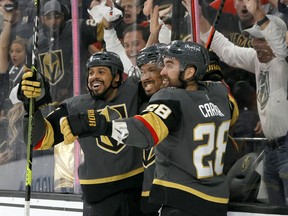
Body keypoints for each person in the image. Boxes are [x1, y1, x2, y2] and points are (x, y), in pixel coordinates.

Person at [59, 40, 239, 216]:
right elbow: (231, 112)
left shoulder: (171, 98)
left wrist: (104, 126)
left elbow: (145, 131)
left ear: (190, 71)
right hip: (217, 201)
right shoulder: (219, 94)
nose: (163, 72)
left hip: (182, 199)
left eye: (169, 65)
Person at [18, 51, 145, 216]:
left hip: (138, 196)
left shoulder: (134, 91)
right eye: (91, 72)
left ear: (117, 77)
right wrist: (31, 108)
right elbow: (40, 140)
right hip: (99, 202)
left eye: (101, 71)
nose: (94, 76)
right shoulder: (76, 106)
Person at [199, 0, 288, 206]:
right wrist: (199, 18)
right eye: (254, 39)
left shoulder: (283, 61)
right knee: (275, 210)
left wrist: (257, 12)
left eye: (261, 39)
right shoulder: (258, 59)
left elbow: (280, 47)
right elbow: (227, 50)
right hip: (271, 148)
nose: (255, 44)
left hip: (286, 147)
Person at [136, 43, 165, 215]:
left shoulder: (179, 101)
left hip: (172, 193)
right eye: (142, 72)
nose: (145, 77)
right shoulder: (144, 103)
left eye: (151, 70)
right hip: (148, 193)